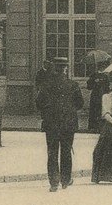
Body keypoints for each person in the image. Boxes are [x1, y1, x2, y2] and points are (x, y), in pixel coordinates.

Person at [35, 57, 84, 192]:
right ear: (66, 69)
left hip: (51, 124)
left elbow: (38, 103)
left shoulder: (46, 85)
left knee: (52, 153)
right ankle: (65, 180)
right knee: (66, 151)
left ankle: (54, 183)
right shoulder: (73, 85)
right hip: (69, 123)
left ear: (54, 68)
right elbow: (80, 104)